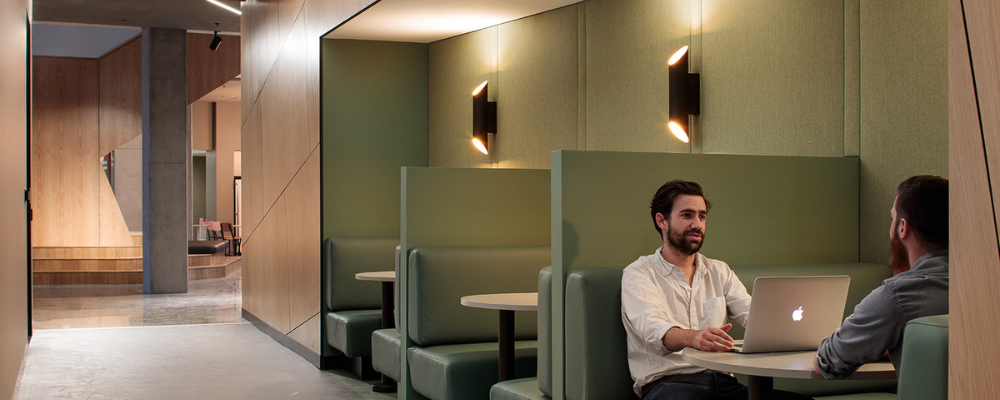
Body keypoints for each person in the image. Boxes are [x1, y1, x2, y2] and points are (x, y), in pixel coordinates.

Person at [621, 180, 810, 400]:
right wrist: (694, 338)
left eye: (702, 216)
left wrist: (796, 330)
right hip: (668, 384)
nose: (697, 224)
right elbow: (653, 329)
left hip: (723, 382)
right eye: (687, 215)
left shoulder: (720, 271)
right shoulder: (639, 273)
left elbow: (753, 316)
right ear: (662, 220)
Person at [815, 175, 949, 379]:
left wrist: (875, 339)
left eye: (892, 218)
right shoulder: (986, 284)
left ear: (902, 228)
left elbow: (828, 361)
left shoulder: (898, 295)